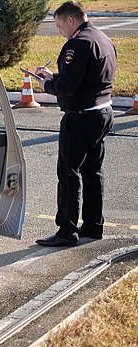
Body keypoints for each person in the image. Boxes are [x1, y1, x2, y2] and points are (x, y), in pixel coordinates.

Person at [34, 0, 116, 247]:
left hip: (80, 117)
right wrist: (55, 75)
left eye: (59, 25)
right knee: (93, 171)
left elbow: (68, 88)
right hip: (102, 112)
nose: (60, 31)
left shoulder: (77, 44)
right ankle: (93, 224)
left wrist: (46, 85)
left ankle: (66, 231)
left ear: (71, 20)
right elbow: (87, 77)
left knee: (69, 173)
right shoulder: (102, 39)